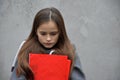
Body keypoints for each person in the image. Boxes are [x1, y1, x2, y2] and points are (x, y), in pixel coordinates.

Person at [10, 7, 85, 80]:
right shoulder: (26, 49)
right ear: (36, 31)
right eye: (43, 34)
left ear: (60, 32)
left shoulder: (69, 50)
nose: (48, 39)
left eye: (53, 34)